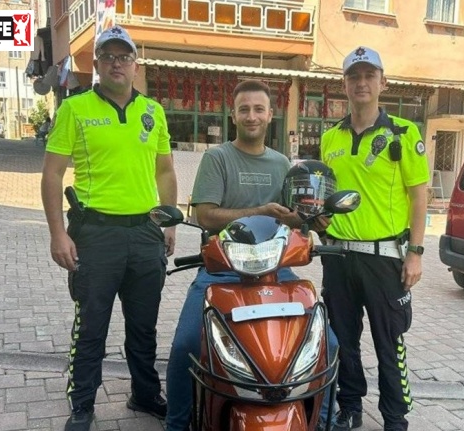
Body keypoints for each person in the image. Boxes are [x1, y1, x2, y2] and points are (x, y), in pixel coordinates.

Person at [165, 80, 336, 431]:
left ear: (270, 115)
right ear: (234, 115)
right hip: (222, 271)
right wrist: (260, 210)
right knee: (186, 344)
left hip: (277, 271)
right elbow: (205, 215)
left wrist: (306, 221)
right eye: (245, 109)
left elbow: (293, 217)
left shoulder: (283, 164)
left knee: (328, 344)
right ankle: (177, 423)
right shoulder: (217, 158)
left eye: (259, 109)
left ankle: (321, 418)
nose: (252, 116)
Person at [41, 25, 177, 431]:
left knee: (143, 326)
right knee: (91, 326)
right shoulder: (75, 109)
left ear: (136, 65)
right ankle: (82, 404)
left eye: (125, 56)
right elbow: (51, 176)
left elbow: (167, 170)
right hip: (95, 235)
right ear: (97, 64)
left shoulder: (153, 112)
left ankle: (145, 394)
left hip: (145, 234)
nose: (117, 63)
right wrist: (57, 234)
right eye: (109, 56)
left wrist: (169, 221)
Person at [319, 46, 429, 431]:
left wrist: (415, 253)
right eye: (354, 76)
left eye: (369, 75)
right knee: (343, 340)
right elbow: (326, 197)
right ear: (344, 85)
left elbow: (420, 195)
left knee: (389, 343)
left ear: (382, 82)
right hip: (337, 257)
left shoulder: (403, 132)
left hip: (385, 260)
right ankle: (350, 408)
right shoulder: (330, 138)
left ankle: (394, 418)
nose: (361, 82)